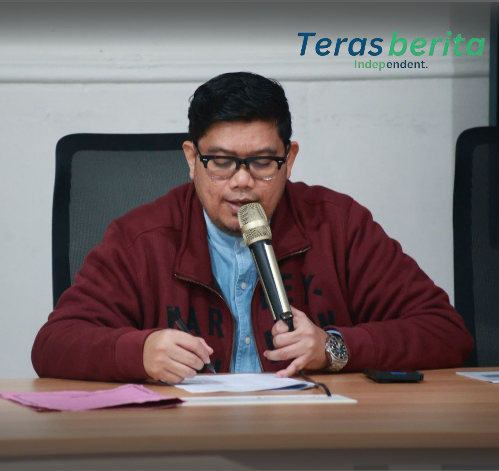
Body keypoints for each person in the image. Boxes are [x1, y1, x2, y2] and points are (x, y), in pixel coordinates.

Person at [32, 72, 473, 384]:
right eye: (222, 162)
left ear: (289, 159)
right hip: (186, 443)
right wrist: (140, 352)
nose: (242, 181)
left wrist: (334, 348)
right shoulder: (141, 237)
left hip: (310, 440)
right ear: (191, 159)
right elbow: (54, 343)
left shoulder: (338, 224)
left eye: (262, 162)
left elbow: (446, 332)